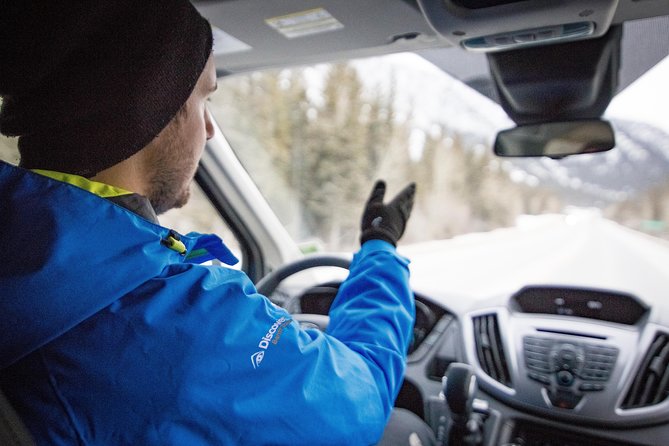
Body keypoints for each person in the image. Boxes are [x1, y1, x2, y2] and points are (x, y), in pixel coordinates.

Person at [0, 1, 435, 445]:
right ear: (154, 110)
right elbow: (358, 398)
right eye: (204, 98)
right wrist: (380, 248)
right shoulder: (175, 320)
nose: (209, 130)